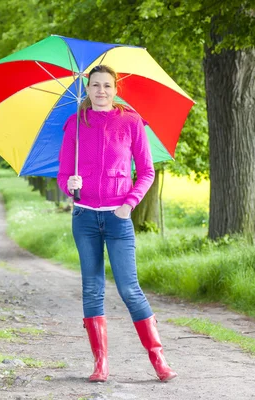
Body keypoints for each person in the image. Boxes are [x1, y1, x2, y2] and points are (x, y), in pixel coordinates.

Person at [57, 64, 177, 383]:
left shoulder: (132, 122)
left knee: (129, 288)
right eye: (95, 85)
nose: (101, 91)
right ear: (87, 89)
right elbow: (62, 174)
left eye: (107, 85)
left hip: (118, 218)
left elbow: (147, 172)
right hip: (84, 218)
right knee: (92, 288)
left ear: (115, 89)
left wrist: (129, 204)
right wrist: (70, 184)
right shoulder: (75, 124)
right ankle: (101, 364)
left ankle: (159, 359)